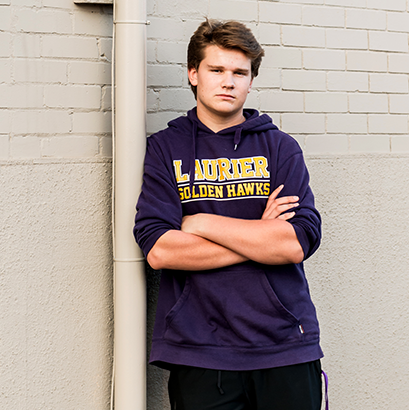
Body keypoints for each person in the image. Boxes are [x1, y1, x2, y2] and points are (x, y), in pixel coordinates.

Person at [134, 19, 324, 410]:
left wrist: (200, 223)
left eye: (240, 72)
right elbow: (161, 251)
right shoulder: (165, 149)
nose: (228, 81)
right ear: (193, 74)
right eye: (216, 70)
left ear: (251, 81)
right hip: (200, 349)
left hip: (285, 344)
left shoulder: (279, 148)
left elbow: (294, 244)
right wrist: (259, 235)